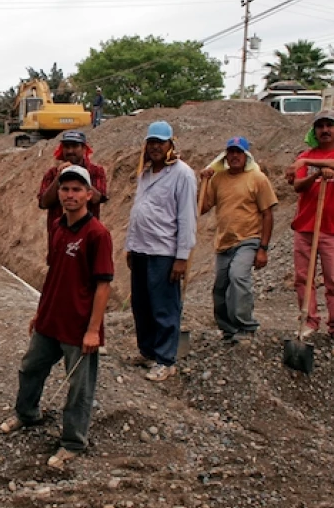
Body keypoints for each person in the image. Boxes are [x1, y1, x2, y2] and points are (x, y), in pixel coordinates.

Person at [0, 165, 113, 470]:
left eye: (77, 189)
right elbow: (55, 274)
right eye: (65, 189)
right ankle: (27, 414)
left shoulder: (97, 234)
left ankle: (73, 442)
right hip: (51, 318)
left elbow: (103, 285)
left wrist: (93, 331)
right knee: (30, 367)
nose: (70, 195)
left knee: (79, 386)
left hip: (78, 325)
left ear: (89, 195)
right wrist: (39, 312)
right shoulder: (59, 227)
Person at [125, 121, 197, 382]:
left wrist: (182, 257)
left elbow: (187, 217)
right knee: (141, 304)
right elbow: (139, 210)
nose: (155, 147)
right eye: (151, 142)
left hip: (164, 251)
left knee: (163, 306)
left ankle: (166, 360)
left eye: (161, 142)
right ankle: (147, 351)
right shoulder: (145, 173)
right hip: (141, 248)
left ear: (170, 145)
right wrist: (130, 246)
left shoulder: (183, 174)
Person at [285, 109, 334, 350]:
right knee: (303, 278)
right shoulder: (306, 155)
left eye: (330, 125)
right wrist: (316, 174)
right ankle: (309, 320)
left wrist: (308, 163)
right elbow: (297, 185)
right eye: (320, 126)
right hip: (305, 226)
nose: (325, 130)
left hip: (332, 228)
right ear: (314, 131)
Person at [200, 137, 278, 342]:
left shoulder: (257, 178)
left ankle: (246, 326)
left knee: (238, 277)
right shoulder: (218, 179)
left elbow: (268, 214)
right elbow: (203, 208)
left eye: (239, 152)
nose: (234, 156)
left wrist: (263, 248)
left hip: (248, 239)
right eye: (231, 152)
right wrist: (204, 181)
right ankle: (228, 329)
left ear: (246, 156)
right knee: (220, 287)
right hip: (224, 242)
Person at [38, 130, 108, 246]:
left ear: (84, 149)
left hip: (87, 238)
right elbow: (44, 203)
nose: (70, 151)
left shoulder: (96, 172)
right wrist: (59, 177)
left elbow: (97, 198)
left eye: (75, 146)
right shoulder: (52, 174)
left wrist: (78, 174)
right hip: (58, 239)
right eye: (66, 147)